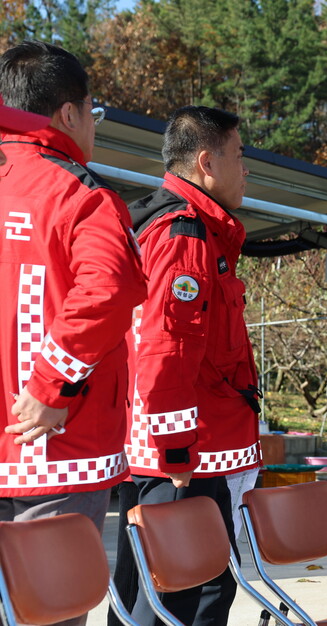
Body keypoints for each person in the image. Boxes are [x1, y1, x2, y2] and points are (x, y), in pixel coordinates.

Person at [119, 106, 262, 626]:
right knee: (190, 596)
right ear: (206, 161)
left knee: (154, 590)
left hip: (180, 452)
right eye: (239, 156)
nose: (246, 170)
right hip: (187, 458)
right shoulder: (185, 236)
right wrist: (177, 452)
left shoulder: (179, 227)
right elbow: (165, 355)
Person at [0, 41, 146, 525]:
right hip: (55, 454)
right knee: (52, 600)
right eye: (91, 111)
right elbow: (108, 289)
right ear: (68, 113)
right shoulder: (79, 193)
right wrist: (50, 388)